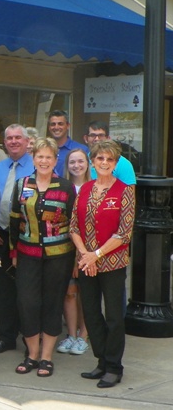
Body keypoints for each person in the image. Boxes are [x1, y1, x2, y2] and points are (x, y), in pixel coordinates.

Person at [70, 140, 135, 388]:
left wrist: (95, 254)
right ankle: (101, 361)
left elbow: (124, 233)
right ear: (93, 162)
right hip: (87, 262)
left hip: (113, 263)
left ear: (116, 164)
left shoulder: (125, 190)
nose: (104, 163)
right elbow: (74, 226)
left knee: (115, 316)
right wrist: (86, 255)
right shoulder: (85, 188)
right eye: (100, 159)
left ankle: (114, 367)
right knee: (92, 313)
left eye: (109, 159)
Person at [10, 137, 76, 378]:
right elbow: (14, 220)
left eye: (49, 156)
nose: (44, 161)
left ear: (56, 160)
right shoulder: (22, 184)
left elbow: (74, 225)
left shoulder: (66, 187)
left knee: (52, 303)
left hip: (59, 256)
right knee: (27, 303)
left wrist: (78, 258)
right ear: (33, 159)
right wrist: (13, 252)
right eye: (40, 156)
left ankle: (46, 358)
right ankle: (31, 355)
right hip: (27, 254)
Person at [0, 124, 34, 355]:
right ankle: (6, 336)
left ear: (27, 142)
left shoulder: (37, 166)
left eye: (18, 138)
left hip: (27, 236)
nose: (14, 141)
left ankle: (30, 340)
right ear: (4, 142)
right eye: (9, 138)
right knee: (3, 287)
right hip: (0, 236)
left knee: (26, 289)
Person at [56, 149, 91, 356]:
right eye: (72, 162)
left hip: (89, 249)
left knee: (86, 294)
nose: (76, 165)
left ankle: (83, 336)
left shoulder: (94, 187)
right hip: (66, 247)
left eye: (80, 161)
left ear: (87, 163)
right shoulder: (63, 187)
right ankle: (70, 334)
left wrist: (83, 252)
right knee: (69, 293)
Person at [83, 121, 136, 187]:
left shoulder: (123, 164)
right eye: (92, 135)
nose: (97, 139)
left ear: (108, 138)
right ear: (86, 139)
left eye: (101, 135)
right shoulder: (82, 162)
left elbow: (130, 195)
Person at [47, 110, 87, 177]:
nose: (56, 127)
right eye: (53, 124)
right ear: (49, 127)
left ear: (68, 126)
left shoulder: (82, 150)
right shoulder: (44, 150)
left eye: (60, 124)